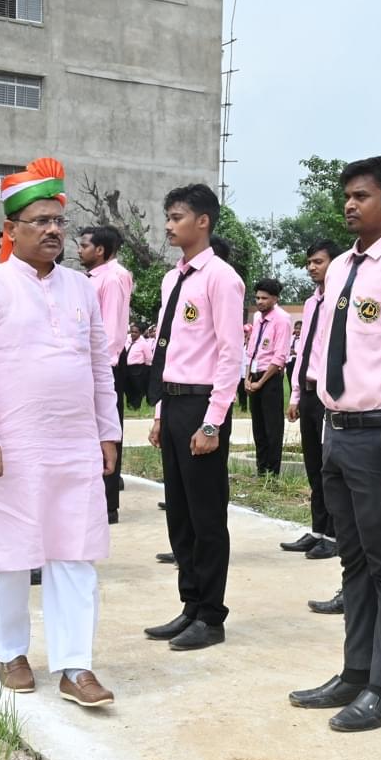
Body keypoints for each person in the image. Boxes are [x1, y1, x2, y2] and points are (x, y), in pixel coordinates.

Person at [0, 157, 119, 705]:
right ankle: (11, 652)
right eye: (40, 221)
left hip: (73, 445)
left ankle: (75, 666)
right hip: (9, 447)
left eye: (59, 222)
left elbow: (98, 367)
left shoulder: (80, 288)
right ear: (11, 231)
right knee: (10, 554)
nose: (52, 230)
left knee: (75, 553)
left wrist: (107, 431)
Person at [286, 155, 381, 733]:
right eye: (347, 196)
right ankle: (354, 671)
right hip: (338, 430)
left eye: (363, 196)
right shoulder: (340, 271)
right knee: (352, 559)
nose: (350, 205)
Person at [143, 184, 245, 651]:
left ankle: (212, 614)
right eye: (168, 215)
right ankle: (189, 605)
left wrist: (213, 421)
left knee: (206, 515)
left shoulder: (221, 278)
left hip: (204, 404)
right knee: (180, 514)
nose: (169, 224)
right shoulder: (172, 279)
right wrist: (162, 411)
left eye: (177, 216)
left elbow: (230, 354)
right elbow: (169, 350)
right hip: (175, 402)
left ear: (202, 221)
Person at [286, 241, 345, 613]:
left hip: (327, 393)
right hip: (306, 389)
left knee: (329, 468)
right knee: (312, 465)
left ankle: (334, 534)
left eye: (318, 261)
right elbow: (305, 346)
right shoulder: (311, 303)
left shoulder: (340, 298)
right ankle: (318, 529)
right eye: (308, 262)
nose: (312, 267)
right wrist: (294, 393)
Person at [79, 225, 134, 523]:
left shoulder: (113, 278)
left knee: (107, 429)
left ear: (100, 250)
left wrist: (102, 366)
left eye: (84, 245)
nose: (79, 250)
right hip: (92, 362)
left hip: (106, 364)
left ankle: (107, 503)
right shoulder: (92, 279)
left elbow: (112, 328)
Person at [245, 278, 292, 478]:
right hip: (253, 374)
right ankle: (261, 469)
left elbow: (280, 355)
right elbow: (251, 349)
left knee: (272, 427)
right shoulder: (257, 317)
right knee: (258, 427)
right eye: (257, 297)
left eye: (265, 298)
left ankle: (272, 473)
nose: (260, 301)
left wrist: (260, 382)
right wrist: (247, 378)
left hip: (269, 377)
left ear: (275, 298)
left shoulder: (282, 319)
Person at [124, 323, 151, 409]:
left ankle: (136, 406)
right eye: (132, 332)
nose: (133, 334)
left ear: (140, 333)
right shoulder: (127, 340)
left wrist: (145, 370)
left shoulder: (143, 343)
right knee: (127, 387)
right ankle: (129, 404)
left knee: (137, 387)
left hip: (137, 368)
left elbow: (149, 358)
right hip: (126, 368)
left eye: (135, 332)